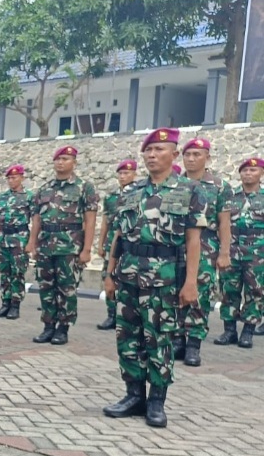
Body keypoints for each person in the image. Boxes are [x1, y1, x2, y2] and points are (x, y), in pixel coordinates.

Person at [102, 127, 205, 428]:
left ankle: (157, 401)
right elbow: (118, 237)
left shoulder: (189, 191)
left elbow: (193, 241)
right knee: (127, 338)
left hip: (165, 279)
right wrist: (109, 275)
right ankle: (134, 395)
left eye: (159, 150)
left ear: (174, 155)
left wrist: (191, 282)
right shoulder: (132, 192)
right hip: (129, 277)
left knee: (159, 340)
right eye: (148, 150)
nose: (152, 155)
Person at [25, 146, 99, 345]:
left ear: (74, 162)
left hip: (70, 246)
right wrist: (32, 243)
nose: (61, 162)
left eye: (66, 159)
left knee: (67, 288)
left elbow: (90, 220)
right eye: (58, 159)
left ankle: (63, 328)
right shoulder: (44, 188)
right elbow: (37, 218)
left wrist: (86, 249)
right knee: (46, 286)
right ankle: (48, 326)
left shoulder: (85, 187)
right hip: (46, 244)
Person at [176, 138, 233, 365]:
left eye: (197, 154)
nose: (191, 159)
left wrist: (224, 252)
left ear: (207, 157)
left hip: (206, 245)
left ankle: (193, 345)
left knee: (199, 294)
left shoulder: (219, 186)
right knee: (174, 291)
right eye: (187, 155)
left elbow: (224, 222)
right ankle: (178, 340)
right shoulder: (175, 183)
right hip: (176, 244)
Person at [214, 157, 264, 349]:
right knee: (229, 291)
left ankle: (248, 332)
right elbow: (220, 223)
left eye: (253, 170)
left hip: (258, 254)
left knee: (255, 292)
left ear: (261, 173)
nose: (248, 174)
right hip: (231, 252)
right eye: (244, 171)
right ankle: (229, 331)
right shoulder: (230, 196)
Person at [96, 160, 139, 331]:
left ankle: (126, 315)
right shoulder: (112, 197)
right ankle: (111, 314)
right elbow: (106, 222)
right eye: (120, 173)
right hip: (112, 243)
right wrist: (100, 244)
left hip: (129, 242)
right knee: (108, 276)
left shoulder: (138, 193)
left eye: (127, 173)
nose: (123, 176)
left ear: (134, 174)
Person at [0, 165, 34, 320]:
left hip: (20, 238)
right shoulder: (2, 197)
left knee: (17, 273)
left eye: (14, 177)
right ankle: (5, 303)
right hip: (4, 238)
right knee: (5, 272)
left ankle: (15, 305)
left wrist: (31, 243)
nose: (11, 180)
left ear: (22, 177)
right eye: (8, 178)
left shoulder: (29, 196)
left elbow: (36, 220)